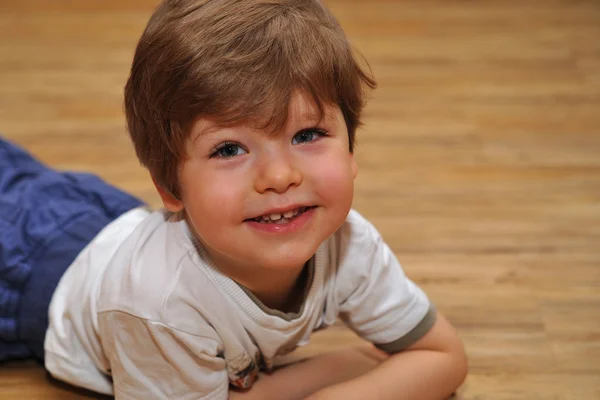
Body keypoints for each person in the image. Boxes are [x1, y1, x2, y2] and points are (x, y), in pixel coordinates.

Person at [0, 0, 468, 398]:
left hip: (102, 223)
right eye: (229, 149)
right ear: (170, 188)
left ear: (351, 151)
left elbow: (442, 356)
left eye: (307, 133)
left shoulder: (352, 247)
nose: (280, 176)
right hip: (22, 272)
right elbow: (393, 365)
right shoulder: (156, 301)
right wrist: (337, 372)